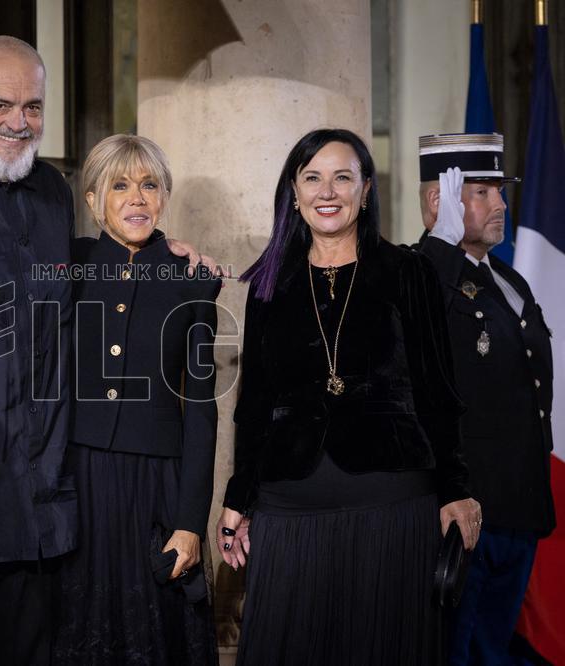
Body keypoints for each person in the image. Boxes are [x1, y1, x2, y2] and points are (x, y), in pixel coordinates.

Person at [0, 35, 213, 666]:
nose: (18, 121)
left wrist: (168, 255)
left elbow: (103, 272)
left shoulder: (50, 193)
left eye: (33, 106)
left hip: (60, 499)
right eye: (0, 104)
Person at [215, 128, 482, 665]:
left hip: (393, 507)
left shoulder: (408, 271)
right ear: (294, 192)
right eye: (312, 177)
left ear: (365, 191)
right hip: (290, 506)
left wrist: (455, 488)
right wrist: (239, 499)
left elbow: (437, 391)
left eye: (342, 177)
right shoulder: (269, 284)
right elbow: (256, 405)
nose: (327, 191)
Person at [53, 134, 220, 664]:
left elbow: (202, 408)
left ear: (164, 196)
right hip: (80, 484)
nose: (137, 199)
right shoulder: (69, 265)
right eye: (120, 186)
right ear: (92, 199)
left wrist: (190, 521)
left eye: (149, 185)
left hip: (157, 488)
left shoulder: (192, 280)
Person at [416, 133, 555, 665]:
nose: (500, 204)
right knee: (454, 651)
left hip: (517, 505)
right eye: (482, 192)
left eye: (501, 190)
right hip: (464, 511)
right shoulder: (421, 273)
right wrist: (439, 245)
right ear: (440, 202)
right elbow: (411, 327)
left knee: (493, 651)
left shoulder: (508, 280)